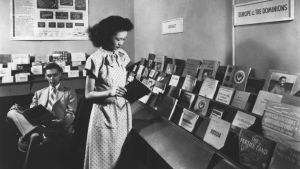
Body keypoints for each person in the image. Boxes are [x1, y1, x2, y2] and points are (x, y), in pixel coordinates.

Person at [84, 16, 134, 169]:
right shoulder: (95, 59)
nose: (121, 43)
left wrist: (130, 82)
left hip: (122, 113)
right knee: (104, 160)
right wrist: (110, 92)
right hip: (105, 115)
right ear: (106, 36)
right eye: (118, 39)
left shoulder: (122, 55)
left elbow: (121, 81)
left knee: (121, 157)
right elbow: (88, 94)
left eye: (124, 39)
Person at [6, 62, 77, 168]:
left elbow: (71, 114)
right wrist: (20, 112)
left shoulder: (69, 92)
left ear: (60, 74)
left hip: (57, 126)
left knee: (33, 137)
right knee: (11, 112)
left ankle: (30, 136)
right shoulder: (39, 93)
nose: (52, 78)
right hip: (38, 125)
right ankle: (35, 134)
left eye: (55, 75)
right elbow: (31, 113)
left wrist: (62, 122)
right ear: (45, 76)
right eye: (49, 76)